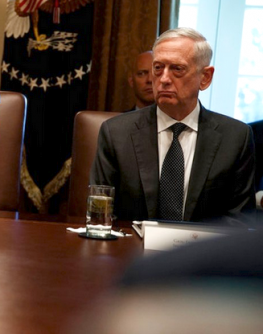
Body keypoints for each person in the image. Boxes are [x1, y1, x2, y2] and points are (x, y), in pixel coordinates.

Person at [90, 27, 255, 223]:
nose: (163, 79)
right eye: (158, 68)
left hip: (203, 252)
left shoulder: (235, 138)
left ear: (205, 77)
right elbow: (101, 215)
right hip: (131, 250)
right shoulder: (116, 133)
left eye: (177, 69)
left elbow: (240, 219)